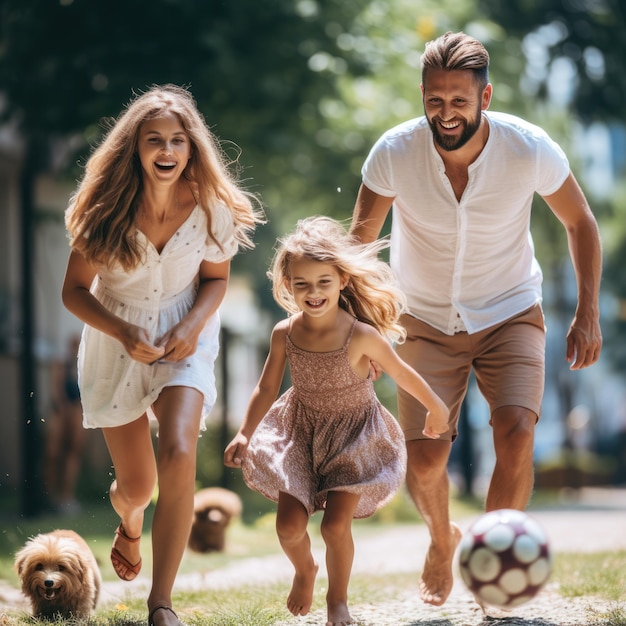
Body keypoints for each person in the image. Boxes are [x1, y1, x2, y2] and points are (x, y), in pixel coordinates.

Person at [350, 31, 603, 608]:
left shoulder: (528, 147)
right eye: (434, 100)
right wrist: (357, 331)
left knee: (516, 429)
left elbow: (581, 223)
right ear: (422, 95)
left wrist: (587, 311)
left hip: (510, 309)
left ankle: (496, 565)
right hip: (423, 319)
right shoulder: (393, 152)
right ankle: (443, 541)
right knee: (427, 459)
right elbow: (358, 246)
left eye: (459, 101)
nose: (446, 113)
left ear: (485, 96)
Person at [62, 84, 263, 626]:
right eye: (155, 140)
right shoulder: (104, 210)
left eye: (178, 140)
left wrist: (194, 325)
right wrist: (124, 332)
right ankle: (128, 519)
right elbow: (74, 292)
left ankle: (161, 602)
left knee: (177, 451)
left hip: (185, 335)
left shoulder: (209, 206)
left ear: (192, 147)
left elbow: (216, 280)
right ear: (136, 147)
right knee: (139, 488)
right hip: (114, 339)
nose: (167, 151)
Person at [224, 216, 449, 626]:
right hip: (300, 433)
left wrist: (436, 406)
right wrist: (244, 432)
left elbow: (401, 372)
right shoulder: (284, 333)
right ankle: (305, 569)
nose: (313, 293)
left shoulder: (360, 335)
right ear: (288, 284)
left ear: (342, 279)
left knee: (333, 526)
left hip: (354, 437)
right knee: (290, 528)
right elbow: (266, 388)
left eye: (323, 282)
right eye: (302, 284)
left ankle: (338, 601)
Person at [43, 334, 85, 515]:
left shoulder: (84, 366)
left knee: (73, 453)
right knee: (53, 453)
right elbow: (57, 394)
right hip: (61, 412)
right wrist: (65, 411)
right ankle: (50, 496)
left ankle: (66, 497)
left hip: (77, 412)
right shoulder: (61, 364)